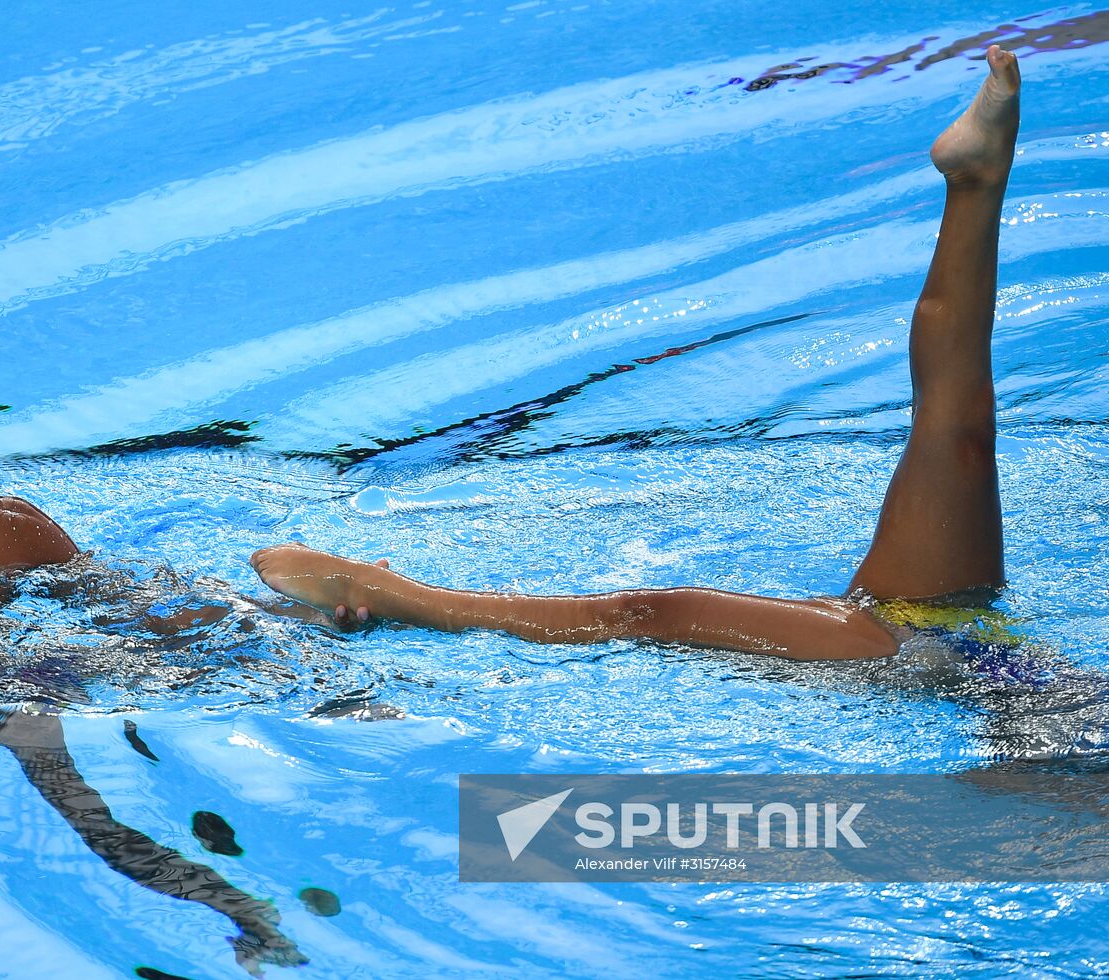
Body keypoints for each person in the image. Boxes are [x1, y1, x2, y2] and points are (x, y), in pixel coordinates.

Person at [250, 46, 1023, 663]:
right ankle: (977, 180)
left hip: (927, 672)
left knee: (652, 614)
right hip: (963, 628)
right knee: (957, 428)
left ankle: (401, 598)